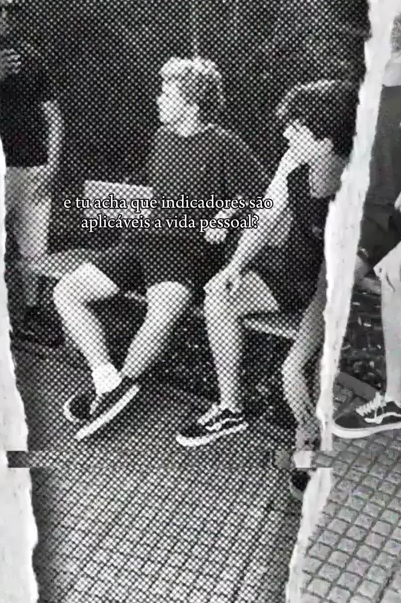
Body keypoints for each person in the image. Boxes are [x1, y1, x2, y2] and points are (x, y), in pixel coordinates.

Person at [53, 56, 269, 441]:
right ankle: (108, 382)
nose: (158, 99)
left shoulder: (224, 144)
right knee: (66, 291)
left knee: (161, 313)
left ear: (191, 104)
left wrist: (226, 214)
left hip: (188, 253)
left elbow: (265, 197)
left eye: (167, 94)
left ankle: (119, 388)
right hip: (141, 241)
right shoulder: (162, 137)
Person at [176, 79, 359, 456]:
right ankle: (231, 408)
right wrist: (234, 266)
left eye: (296, 127)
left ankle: (313, 443)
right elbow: (264, 217)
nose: (286, 133)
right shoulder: (294, 163)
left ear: (325, 142)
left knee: (297, 370)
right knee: (219, 295)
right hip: (295, 277)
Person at [333, 10, 401, 438]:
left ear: (400, 52)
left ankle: (395, 401)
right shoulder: (367, 95)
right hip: (372, 216)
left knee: (399, 276)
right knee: (334, 278)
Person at [0, 0, 63, 340]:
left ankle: (31, 316)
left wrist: (52, 164)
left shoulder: (32, 57)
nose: (4, 17)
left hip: (34, 169)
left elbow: (53, 115)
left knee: (35, 250)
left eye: (11, 10)